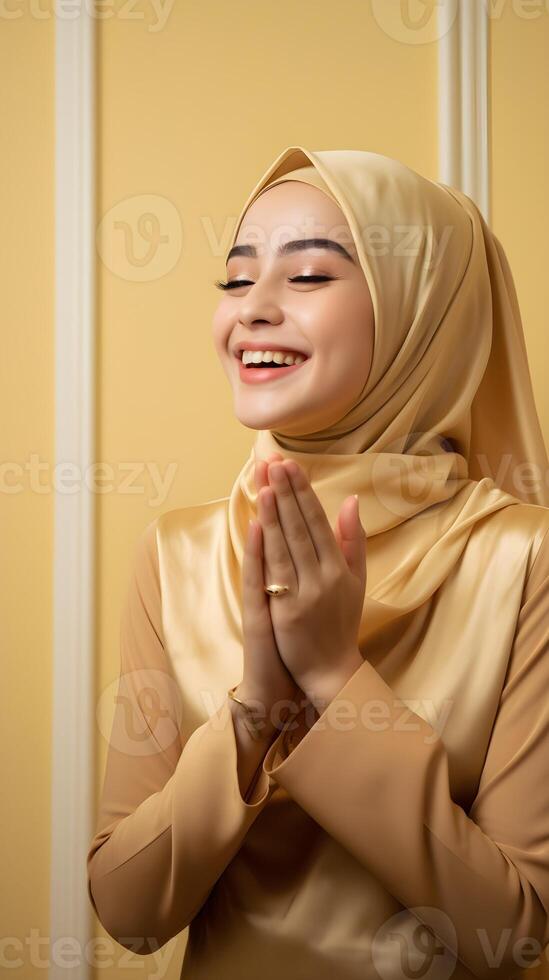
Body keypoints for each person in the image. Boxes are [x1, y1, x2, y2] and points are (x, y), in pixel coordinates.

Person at [86, 145, 549, 980]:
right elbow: (130, 914)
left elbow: (512, 934)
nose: (252, 310)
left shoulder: (524, 561)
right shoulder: (175, 555)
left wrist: (336, 679)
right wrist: (254, 711)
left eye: (307, 278)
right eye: (234, 280)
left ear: (421, 314)